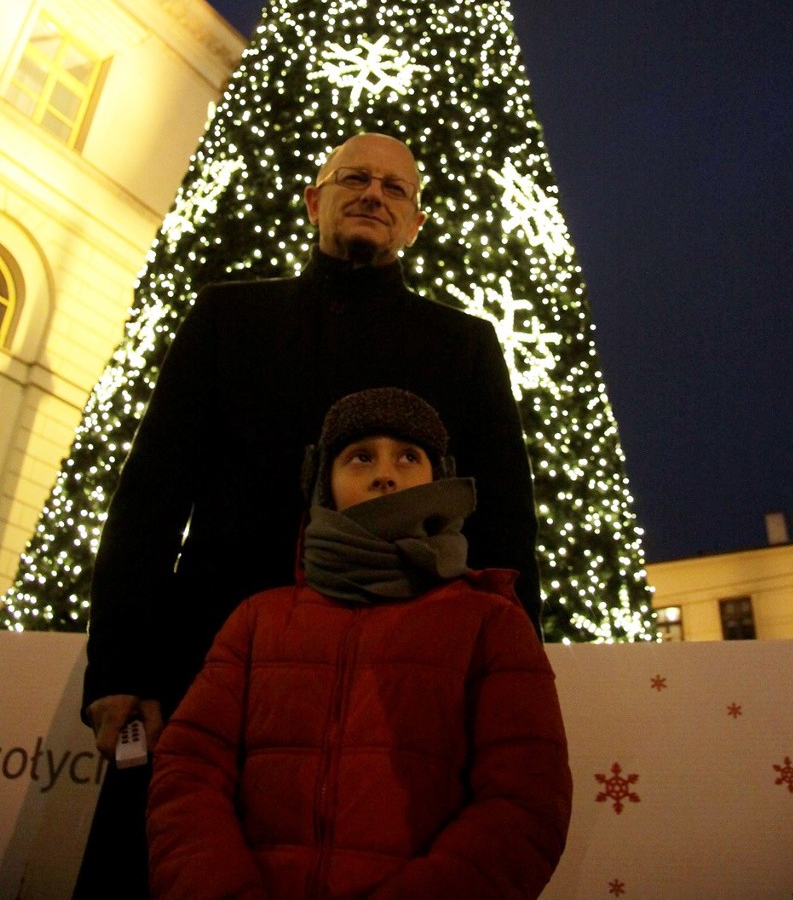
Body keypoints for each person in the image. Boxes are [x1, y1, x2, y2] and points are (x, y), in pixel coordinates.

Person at [74, 132, 540, 896]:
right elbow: (151, 497)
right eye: (354, 178)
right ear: (314, 200)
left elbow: (506, 526)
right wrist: (121, 665)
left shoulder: (465, 346)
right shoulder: (228, 319)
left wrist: (513, 677)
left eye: (395, 188)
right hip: (205, 661)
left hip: (394, 685)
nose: (374, 194)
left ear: (415, 224)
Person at [146, 389, 571, 899]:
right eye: (360, 456)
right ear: (323, 484)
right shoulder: (258, 622)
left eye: (409, 456)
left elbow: (524, 804)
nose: (384, 474)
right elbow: (188, 775)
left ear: (440, 476)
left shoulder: (492, 623)